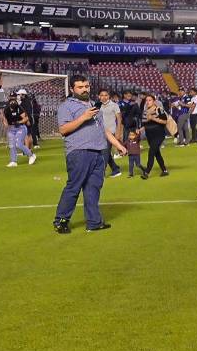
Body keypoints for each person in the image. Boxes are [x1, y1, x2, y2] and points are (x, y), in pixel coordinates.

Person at [53, 75, 127, 234]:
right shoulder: (66, 106)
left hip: (99, 152)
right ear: (72, 89)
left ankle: (94, 222)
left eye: (86, 86)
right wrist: (83, 117)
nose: (85, 89)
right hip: (79, 152)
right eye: (80, 87)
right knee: (74, 187)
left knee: (93, 188)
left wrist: (117, 144)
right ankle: (61, 220)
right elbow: (63, 130)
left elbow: (103, 129)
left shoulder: (94, 105)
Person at [139, 93, 170, 179]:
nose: (148, 102)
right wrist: (140, 129)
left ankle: (147, 172)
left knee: (151, 152)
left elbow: (165, 121)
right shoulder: (145, 112)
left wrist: (153, 118)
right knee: (157, 153)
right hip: (150, 136)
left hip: (159, 134)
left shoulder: (159, 109)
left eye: (150, 100)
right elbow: (145, 124)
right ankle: (164, 170)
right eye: (146, 101)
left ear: (154, 101)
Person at [2, 91, 35, 167]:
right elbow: (4, 119)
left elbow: (26, 118)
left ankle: (31, 155)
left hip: (20, 128)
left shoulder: (19, 108)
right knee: (12, 145)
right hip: (11, 128)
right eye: (11, 98)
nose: (12, 99)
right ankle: (13, 161)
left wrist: (19, 122)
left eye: (14, 97)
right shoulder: (6, 109)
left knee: (19, 144)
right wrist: (6, 124)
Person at [97, 88, 123, 178]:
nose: (104, 97)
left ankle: (101, 173)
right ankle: (115, 169)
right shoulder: (97, 106)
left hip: (111, 133)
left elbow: (119, 119)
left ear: (109, 96)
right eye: (102, 95)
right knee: (105, 152)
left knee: (105, 153)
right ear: (99, 96)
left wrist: (118, 132)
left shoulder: (114, 105)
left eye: (106, 95)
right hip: (99, 133)